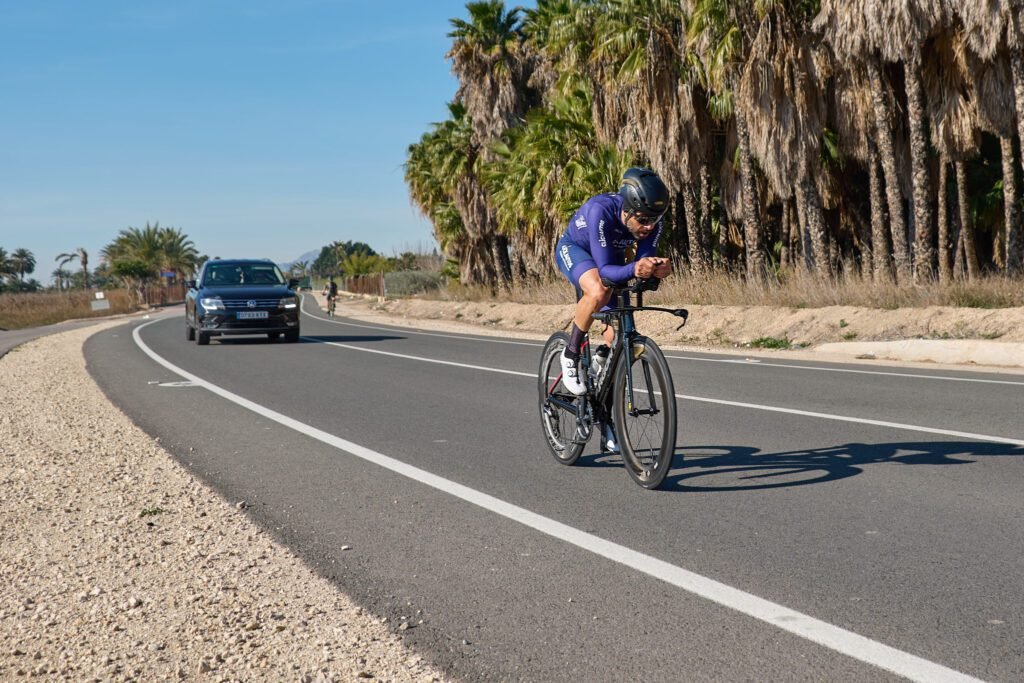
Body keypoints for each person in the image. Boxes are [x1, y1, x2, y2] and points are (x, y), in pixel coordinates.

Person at [554, 167, 672, 398]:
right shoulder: (601, 211)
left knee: (616, 338)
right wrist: (636, 268)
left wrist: (657, 270)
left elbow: (641, 264)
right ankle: (570, 354)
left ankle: (605, 412)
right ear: (627, 210)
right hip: (577, 250)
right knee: (599, 290)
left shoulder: (650, 220)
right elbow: (607, 272)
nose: (650, 226)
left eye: (655, 219)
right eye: (643, 220)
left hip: (611, 255)